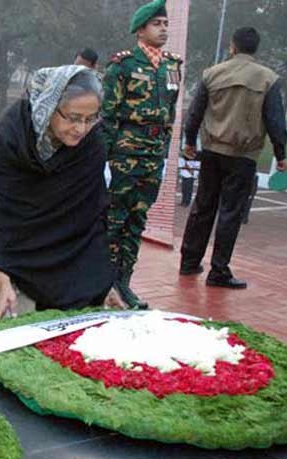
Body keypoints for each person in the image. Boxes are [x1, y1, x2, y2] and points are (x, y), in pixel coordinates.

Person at [0, 66, 119, 331]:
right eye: (73, 118)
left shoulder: (91, 146)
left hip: (45, 238)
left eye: (91, 119)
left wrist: (103, 281)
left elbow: (90, 218)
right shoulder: (6, 137)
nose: (81, 129)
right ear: (48, 107)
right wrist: (3, 279)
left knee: (68, 311)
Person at [179, 27, 287, 289]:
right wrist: (280, 154)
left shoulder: (211, 74)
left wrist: (191, 142)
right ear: (255, 49)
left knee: (202, 206)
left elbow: (195, 112)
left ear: (232, 46)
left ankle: (189, 262)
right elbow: (274, 120)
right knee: (230, 213)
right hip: (243, 155)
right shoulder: (268, 79)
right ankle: (218, 272)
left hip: (212, 151)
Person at [102, 0, 182, 309]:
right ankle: (103, 283)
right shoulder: (123, 65)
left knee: (137, 221)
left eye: (165, 23)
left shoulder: (172, 65)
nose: (163, 28)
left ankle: (124, 283)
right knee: (114, 220)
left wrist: (162, 154)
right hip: (125, 154)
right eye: (157, 24)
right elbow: (109, 116)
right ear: (141, 29)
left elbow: (171, 113)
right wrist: (106, 160)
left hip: (152, 156)